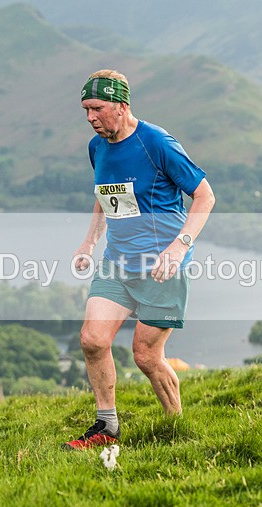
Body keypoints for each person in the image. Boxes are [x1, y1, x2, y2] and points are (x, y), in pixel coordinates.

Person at [63, 69, 215, 450]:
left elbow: (204, 196)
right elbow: (104, 196)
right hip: (118, 262)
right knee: (92, 340)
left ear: (121, 105)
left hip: (163, 266)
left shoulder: (157, 142)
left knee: (146, 356)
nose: (90, 118)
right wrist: (88, 243)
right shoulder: (97, 147)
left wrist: (179, 247)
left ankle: (175, 427)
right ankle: (106, 427)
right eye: (85, 110)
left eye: (97, 108)